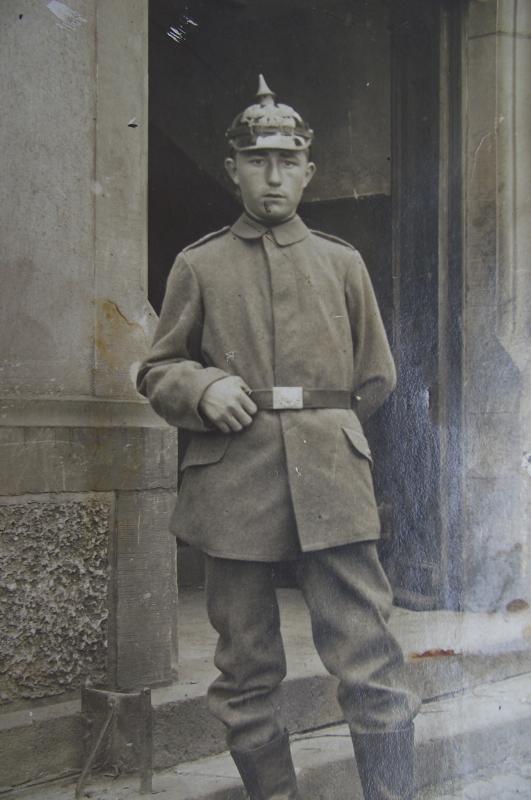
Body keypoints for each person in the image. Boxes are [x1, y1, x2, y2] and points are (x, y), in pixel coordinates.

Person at [137, 75, 420, 800]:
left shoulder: (341, 262)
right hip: (232, 486)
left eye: (287, 161)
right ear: (232, 169)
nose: (273, 175)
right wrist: (204, 387)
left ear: (307, 171)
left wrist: (319, 430)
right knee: (246, 668)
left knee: (370, 655)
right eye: (257, 161)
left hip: (332, 479)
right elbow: (158, 366)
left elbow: (375, 377)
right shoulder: (198, 264)